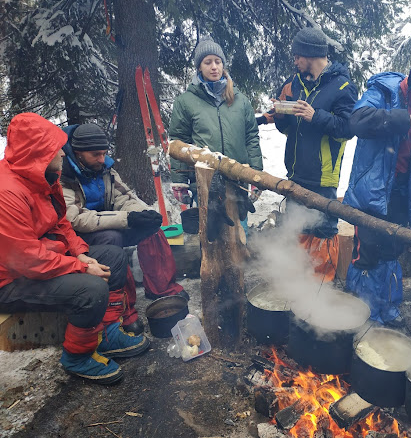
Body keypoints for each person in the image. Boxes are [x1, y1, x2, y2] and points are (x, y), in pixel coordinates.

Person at [0, 113, 149, 385]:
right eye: (56, 148)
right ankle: (77, 357)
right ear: (39, 153)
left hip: (44, 257)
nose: (61, 153)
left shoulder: (43, 177)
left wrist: (80, 253)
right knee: (91, 288)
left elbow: (62, 224)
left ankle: (107, 332)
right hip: (10, 281)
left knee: (113, 257)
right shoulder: (7, 193)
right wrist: (82, 267)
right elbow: (25, 260)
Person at [343, 43, 411, 324]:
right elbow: (356, 121)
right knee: (366, 254)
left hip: (403, 192)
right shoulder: (383, 92)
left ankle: (388, 310)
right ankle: (361, 316)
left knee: (393, 252)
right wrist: (403, 119)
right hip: (372, 190)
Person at [60, 123, 187, 335]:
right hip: (78, 239)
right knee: (111, 238)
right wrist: (126, 218)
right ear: (78, 153)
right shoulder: (64, 176)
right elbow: (75, 219)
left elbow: (124, 197)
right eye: (95, 155)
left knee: (151, 227)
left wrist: (140, 213)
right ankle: (123, 311)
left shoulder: (105, 170)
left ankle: (161, 289)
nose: (102, 159)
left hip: (112, 221)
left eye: (104, 153)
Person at [274, 27, 358, 281]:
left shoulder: (342, 86)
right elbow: (287, 128)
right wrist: (280, 113)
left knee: (321, 240)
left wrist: (315, 116)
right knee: (296, 239)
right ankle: (297, 296)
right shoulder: (295, 83)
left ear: (309, 54)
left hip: (323, 179)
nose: (295, 61)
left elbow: (347, 130)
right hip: (296, 174)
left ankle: (320, 302)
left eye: (297, 56)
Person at [168, 36, 263, 216]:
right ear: (199, 67)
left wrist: (256, 175)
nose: (214, 67)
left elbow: (251, 137)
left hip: (238, 180)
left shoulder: (240, 101)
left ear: (223, 65)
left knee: (240, 235)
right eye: (208, 62)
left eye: (218, 61)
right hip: (205, 183)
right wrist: (180, 181)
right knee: (210, 237)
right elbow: (179, 142)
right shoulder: (186, 101)